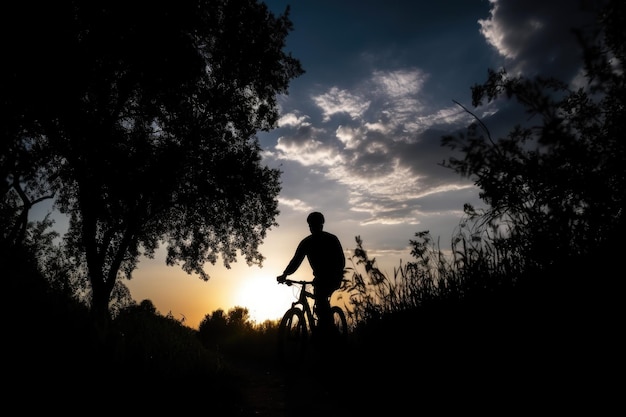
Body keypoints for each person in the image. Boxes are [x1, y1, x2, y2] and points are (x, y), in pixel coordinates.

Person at [277, 211, 345, 339]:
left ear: (321, 225)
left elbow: (341, 261)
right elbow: (296, 260)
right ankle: (321, 331)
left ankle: (331, 332)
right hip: (319, 278)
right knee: (320, 303)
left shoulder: (331, 239)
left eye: (316, 225)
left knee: (321, 301)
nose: (313, 227)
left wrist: (335, 274)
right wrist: (285, 274)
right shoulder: (306, 243)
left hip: (333, 277)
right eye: (311, 225)